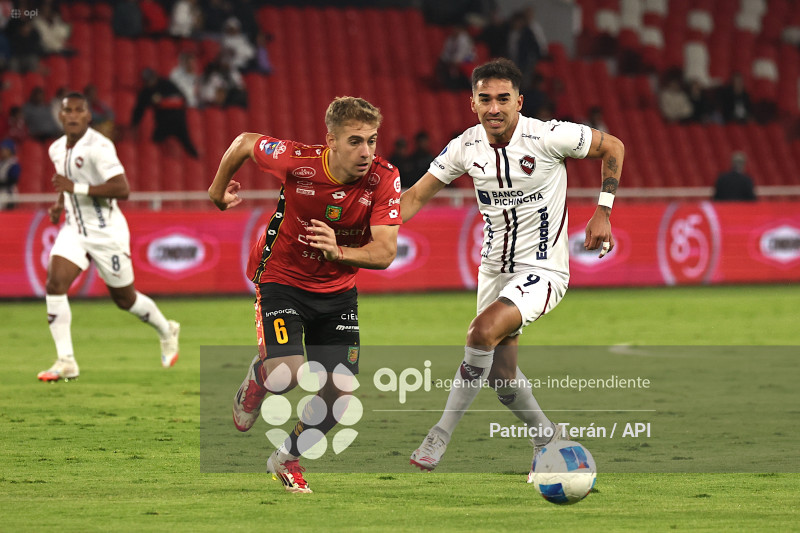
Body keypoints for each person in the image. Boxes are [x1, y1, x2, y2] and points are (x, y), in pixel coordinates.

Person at [400, 59, 624, 479]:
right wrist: (366, 223)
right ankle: (547, 441)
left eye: (503, 99)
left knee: (479, 333)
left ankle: (439, 434)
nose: (494, 108)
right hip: (493, 271)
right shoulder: (465, 147)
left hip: (543, 270)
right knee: (501, 378)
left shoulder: (548, 135)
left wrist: (603, 212)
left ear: (519, 102)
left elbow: (613, 146)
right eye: (485, 99)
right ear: (473, 104)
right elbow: (413, 197)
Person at [208, 96, 401, 493]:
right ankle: (257, 383)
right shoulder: (298, 160)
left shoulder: (384, 178)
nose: (366, 152)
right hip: (282, 277)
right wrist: (216, 191)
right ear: (330, 140)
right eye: (355, 141)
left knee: (340, 394)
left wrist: (339, 252)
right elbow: (245, 141)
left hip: (337, 291)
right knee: (286, 373)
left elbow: (384, 252)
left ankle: (286, 458)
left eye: (372, 140)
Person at [40, 92, 181, 382]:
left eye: (80, 110)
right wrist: (59, 205)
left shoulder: (100, 147)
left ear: (88, 116)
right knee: (55, 284)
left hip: (107, 234)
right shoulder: (56, 149)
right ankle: (66, 361)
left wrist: (74, 188)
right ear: (61, 115)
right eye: (68, 110)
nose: (74, 115)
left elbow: (122, 189)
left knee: (125, 299)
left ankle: (167, 331)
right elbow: (65, 182)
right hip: (75, 229)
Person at [131, 68, 199, 158]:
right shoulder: (146, 91)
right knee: (154, 143)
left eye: (151, 79)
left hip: (177, 120)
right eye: (147, 81)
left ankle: (196, 159)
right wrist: (134, 124)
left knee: (188, 145)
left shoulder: (166, 84)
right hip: (163, 123)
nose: (150, 83)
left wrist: (162, 101)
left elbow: (181, 99)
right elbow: (139, 109)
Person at [0, 138, 20, 210]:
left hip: (8, 191)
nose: (3, 152)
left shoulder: (13, 163)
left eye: (5, 149)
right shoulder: (2, 163)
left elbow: (13, 179)